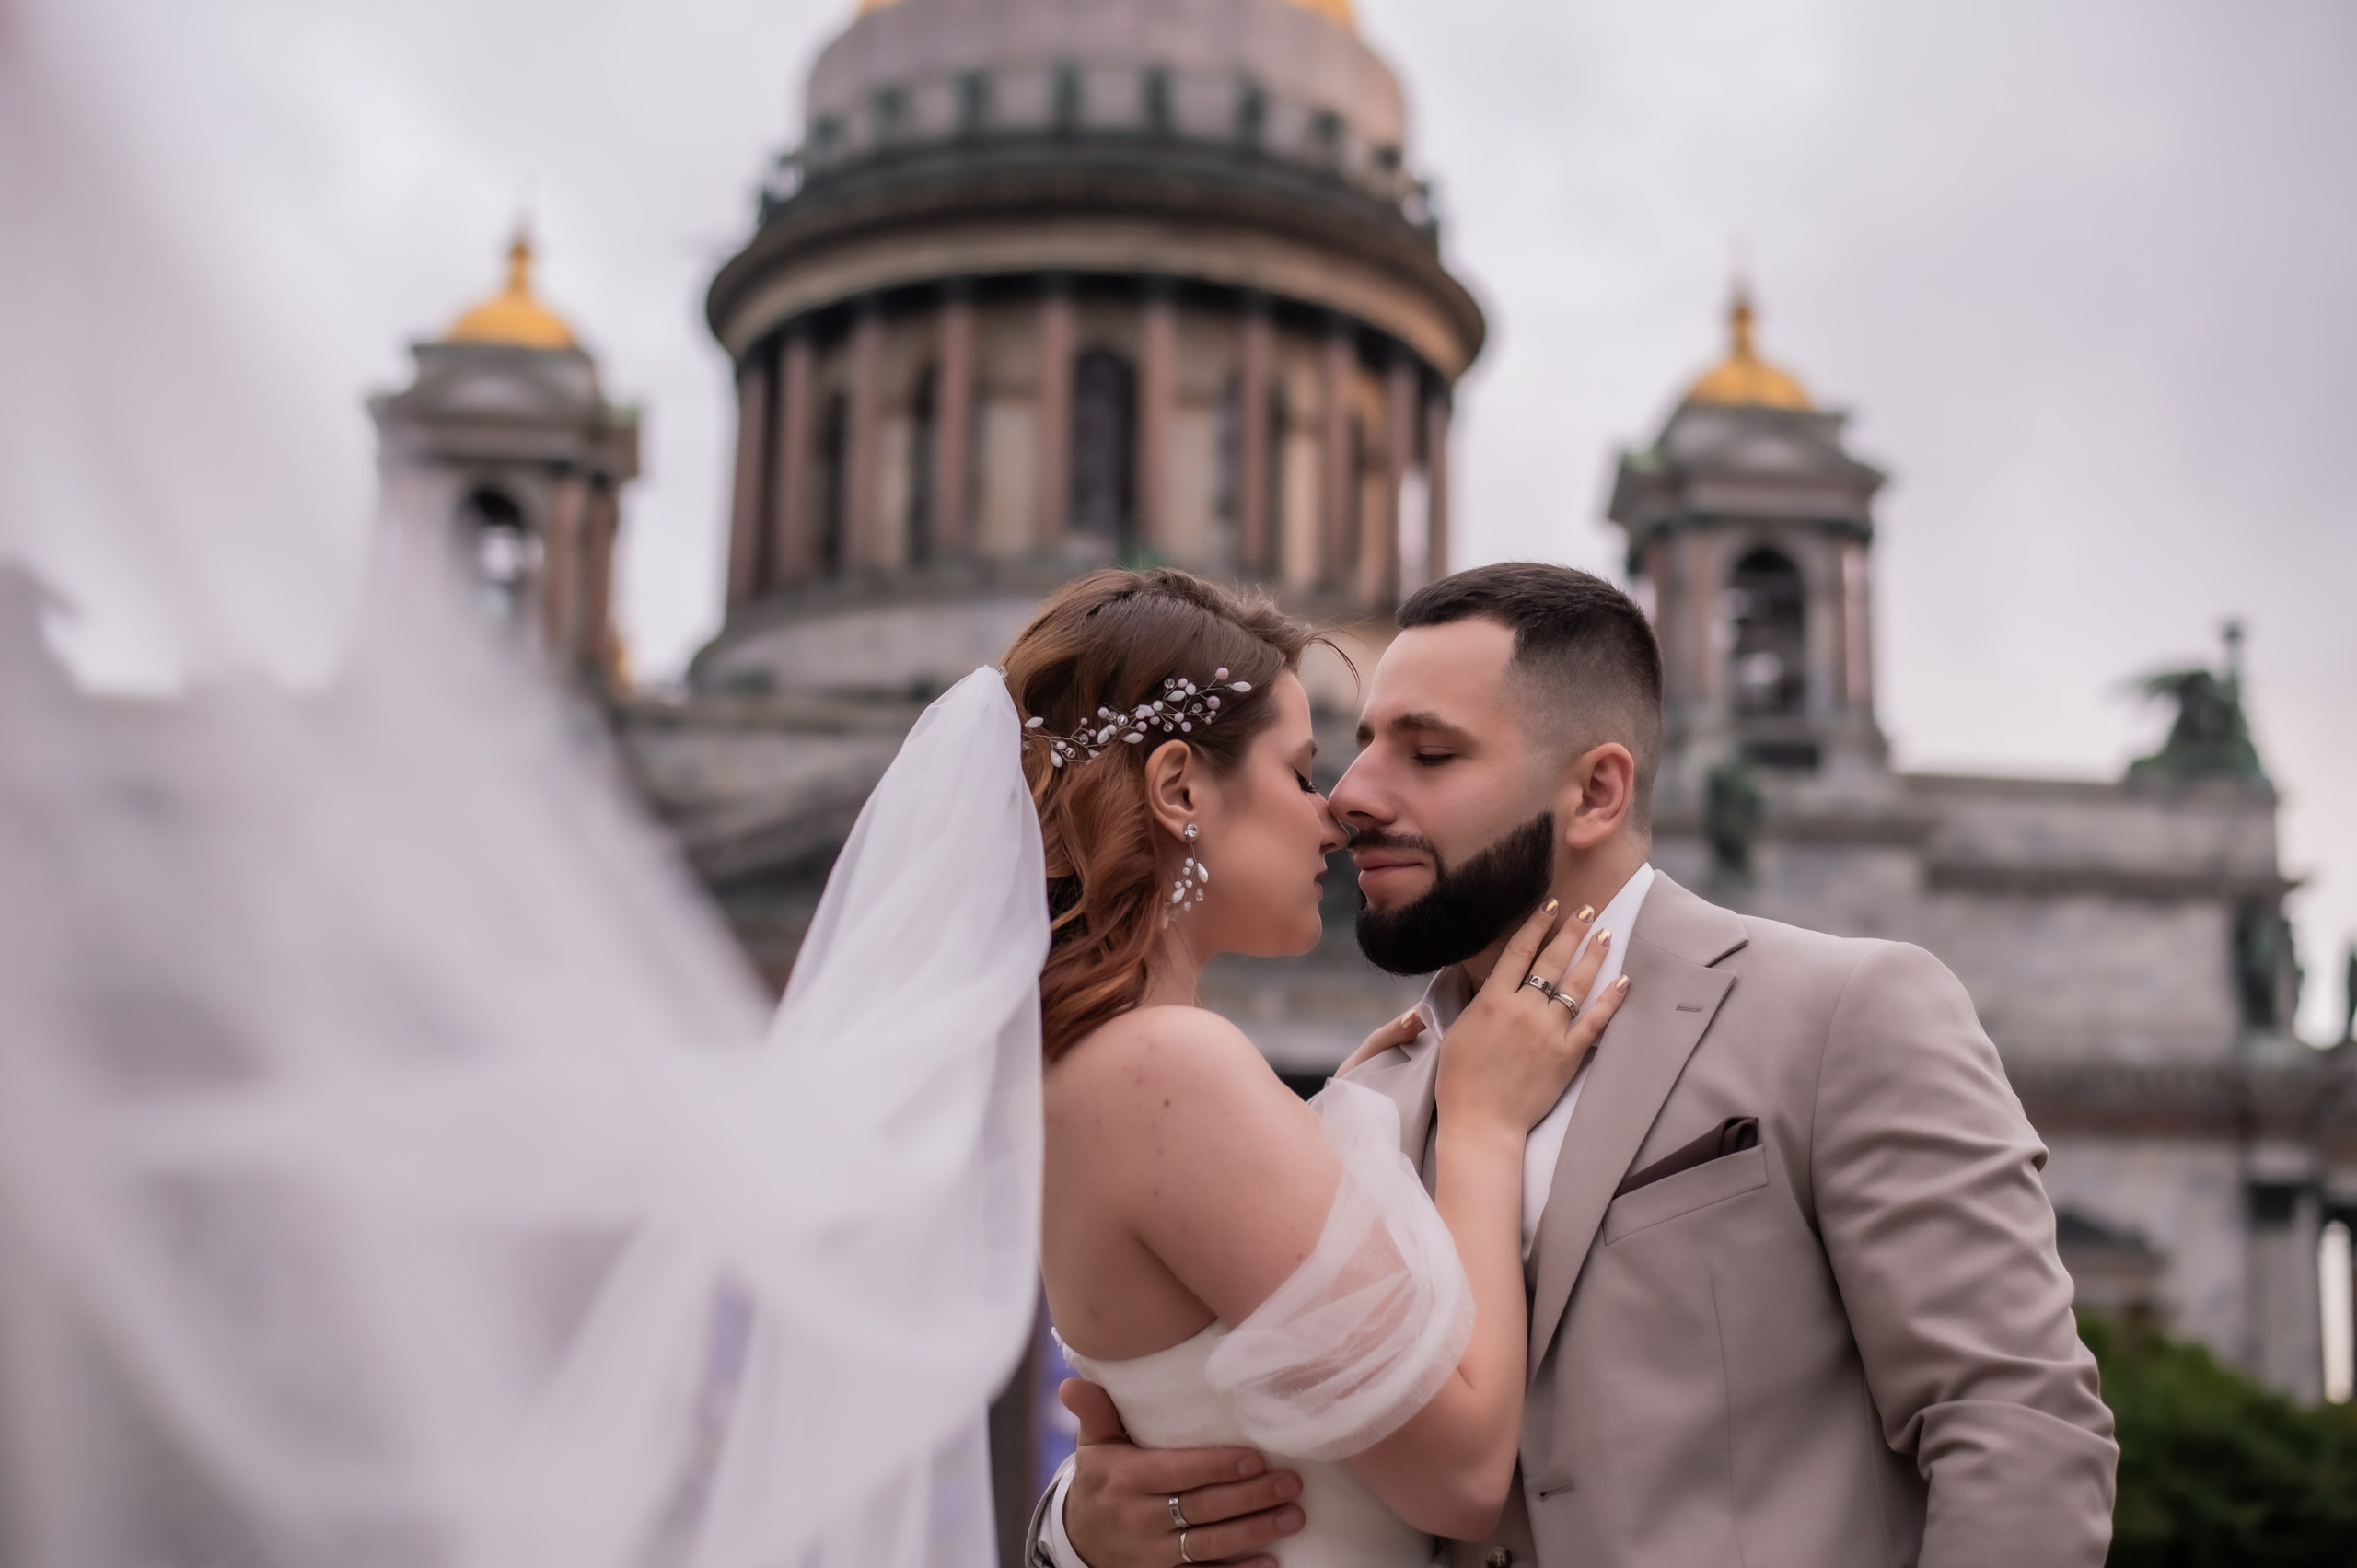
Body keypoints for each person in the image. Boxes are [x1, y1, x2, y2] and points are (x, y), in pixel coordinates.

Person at [1035, 563, 2119, 1568]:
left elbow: (2013, 1425)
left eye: (1429, 751)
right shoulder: (1355, 1103)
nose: (1351, 795)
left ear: (1597, 791)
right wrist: (1078, 1525)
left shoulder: (1838, 1013)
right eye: (1352, 746)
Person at [1008, 568, 1633, 1568]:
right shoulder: (1166, 1066)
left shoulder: (1103, 1061)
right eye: (1300, 771)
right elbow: (1464, 1473)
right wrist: (1478, 1123)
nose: (1335, 813)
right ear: (1179, 788)